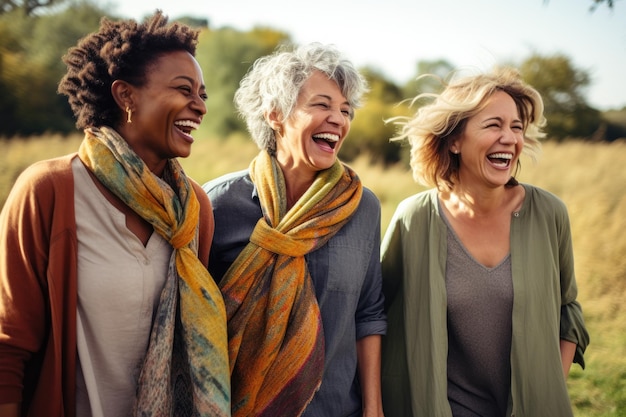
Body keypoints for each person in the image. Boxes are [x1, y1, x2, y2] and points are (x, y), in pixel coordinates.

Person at [0, 10, 230, 417]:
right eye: (184, 90)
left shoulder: (195, 209)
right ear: (126, 96)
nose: (200, 107)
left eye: (202, 95)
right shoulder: (50, 191)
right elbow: (8, 344)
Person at [380, 67, 590, 417]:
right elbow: (375, 314)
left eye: (516, 127)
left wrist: (548, 386)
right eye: (493, 125)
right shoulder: (415, 219)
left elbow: (568, 311)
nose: (509, 138)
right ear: (455, 141)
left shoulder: (549, 214)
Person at [203, 42, 387, 417]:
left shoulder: (362, 207)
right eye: (321, 105)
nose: (338, 119)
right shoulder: (218, 204)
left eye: (345, 110)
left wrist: (373, 408)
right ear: (275, 114)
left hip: (337, 409)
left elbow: (368, 313)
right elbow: (194, 322)